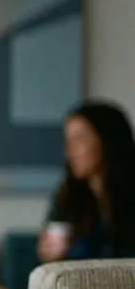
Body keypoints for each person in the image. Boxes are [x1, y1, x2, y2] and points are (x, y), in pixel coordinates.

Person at [38, 101, 135, 263]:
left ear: (107, 141)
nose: (69, 151)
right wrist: (49, 257)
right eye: (67, 141)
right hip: (78, 287)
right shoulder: (66, 199)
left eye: (79, 139)